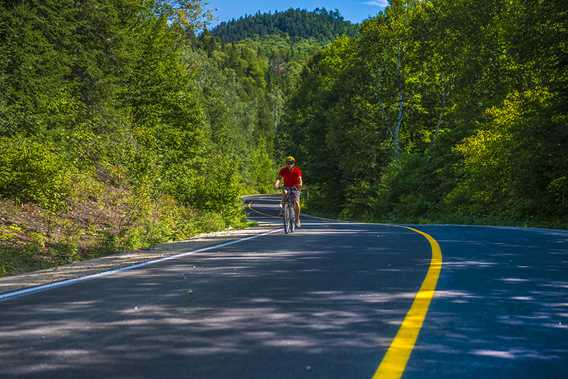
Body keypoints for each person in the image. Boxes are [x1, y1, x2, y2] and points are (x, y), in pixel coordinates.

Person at [274, 156, 303, 227]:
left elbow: (299, 179)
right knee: (284, 193)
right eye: (288, 163)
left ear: (294, 163)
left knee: (296, 202)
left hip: (295, 187)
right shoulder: (283, 170)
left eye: (291, 163)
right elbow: (279, 178)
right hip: (286, 186)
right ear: (286, 163)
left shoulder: (297, 170)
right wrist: (276, 184)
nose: (289, 164)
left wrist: (300, 184)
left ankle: (297, 219)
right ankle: (283, 209)